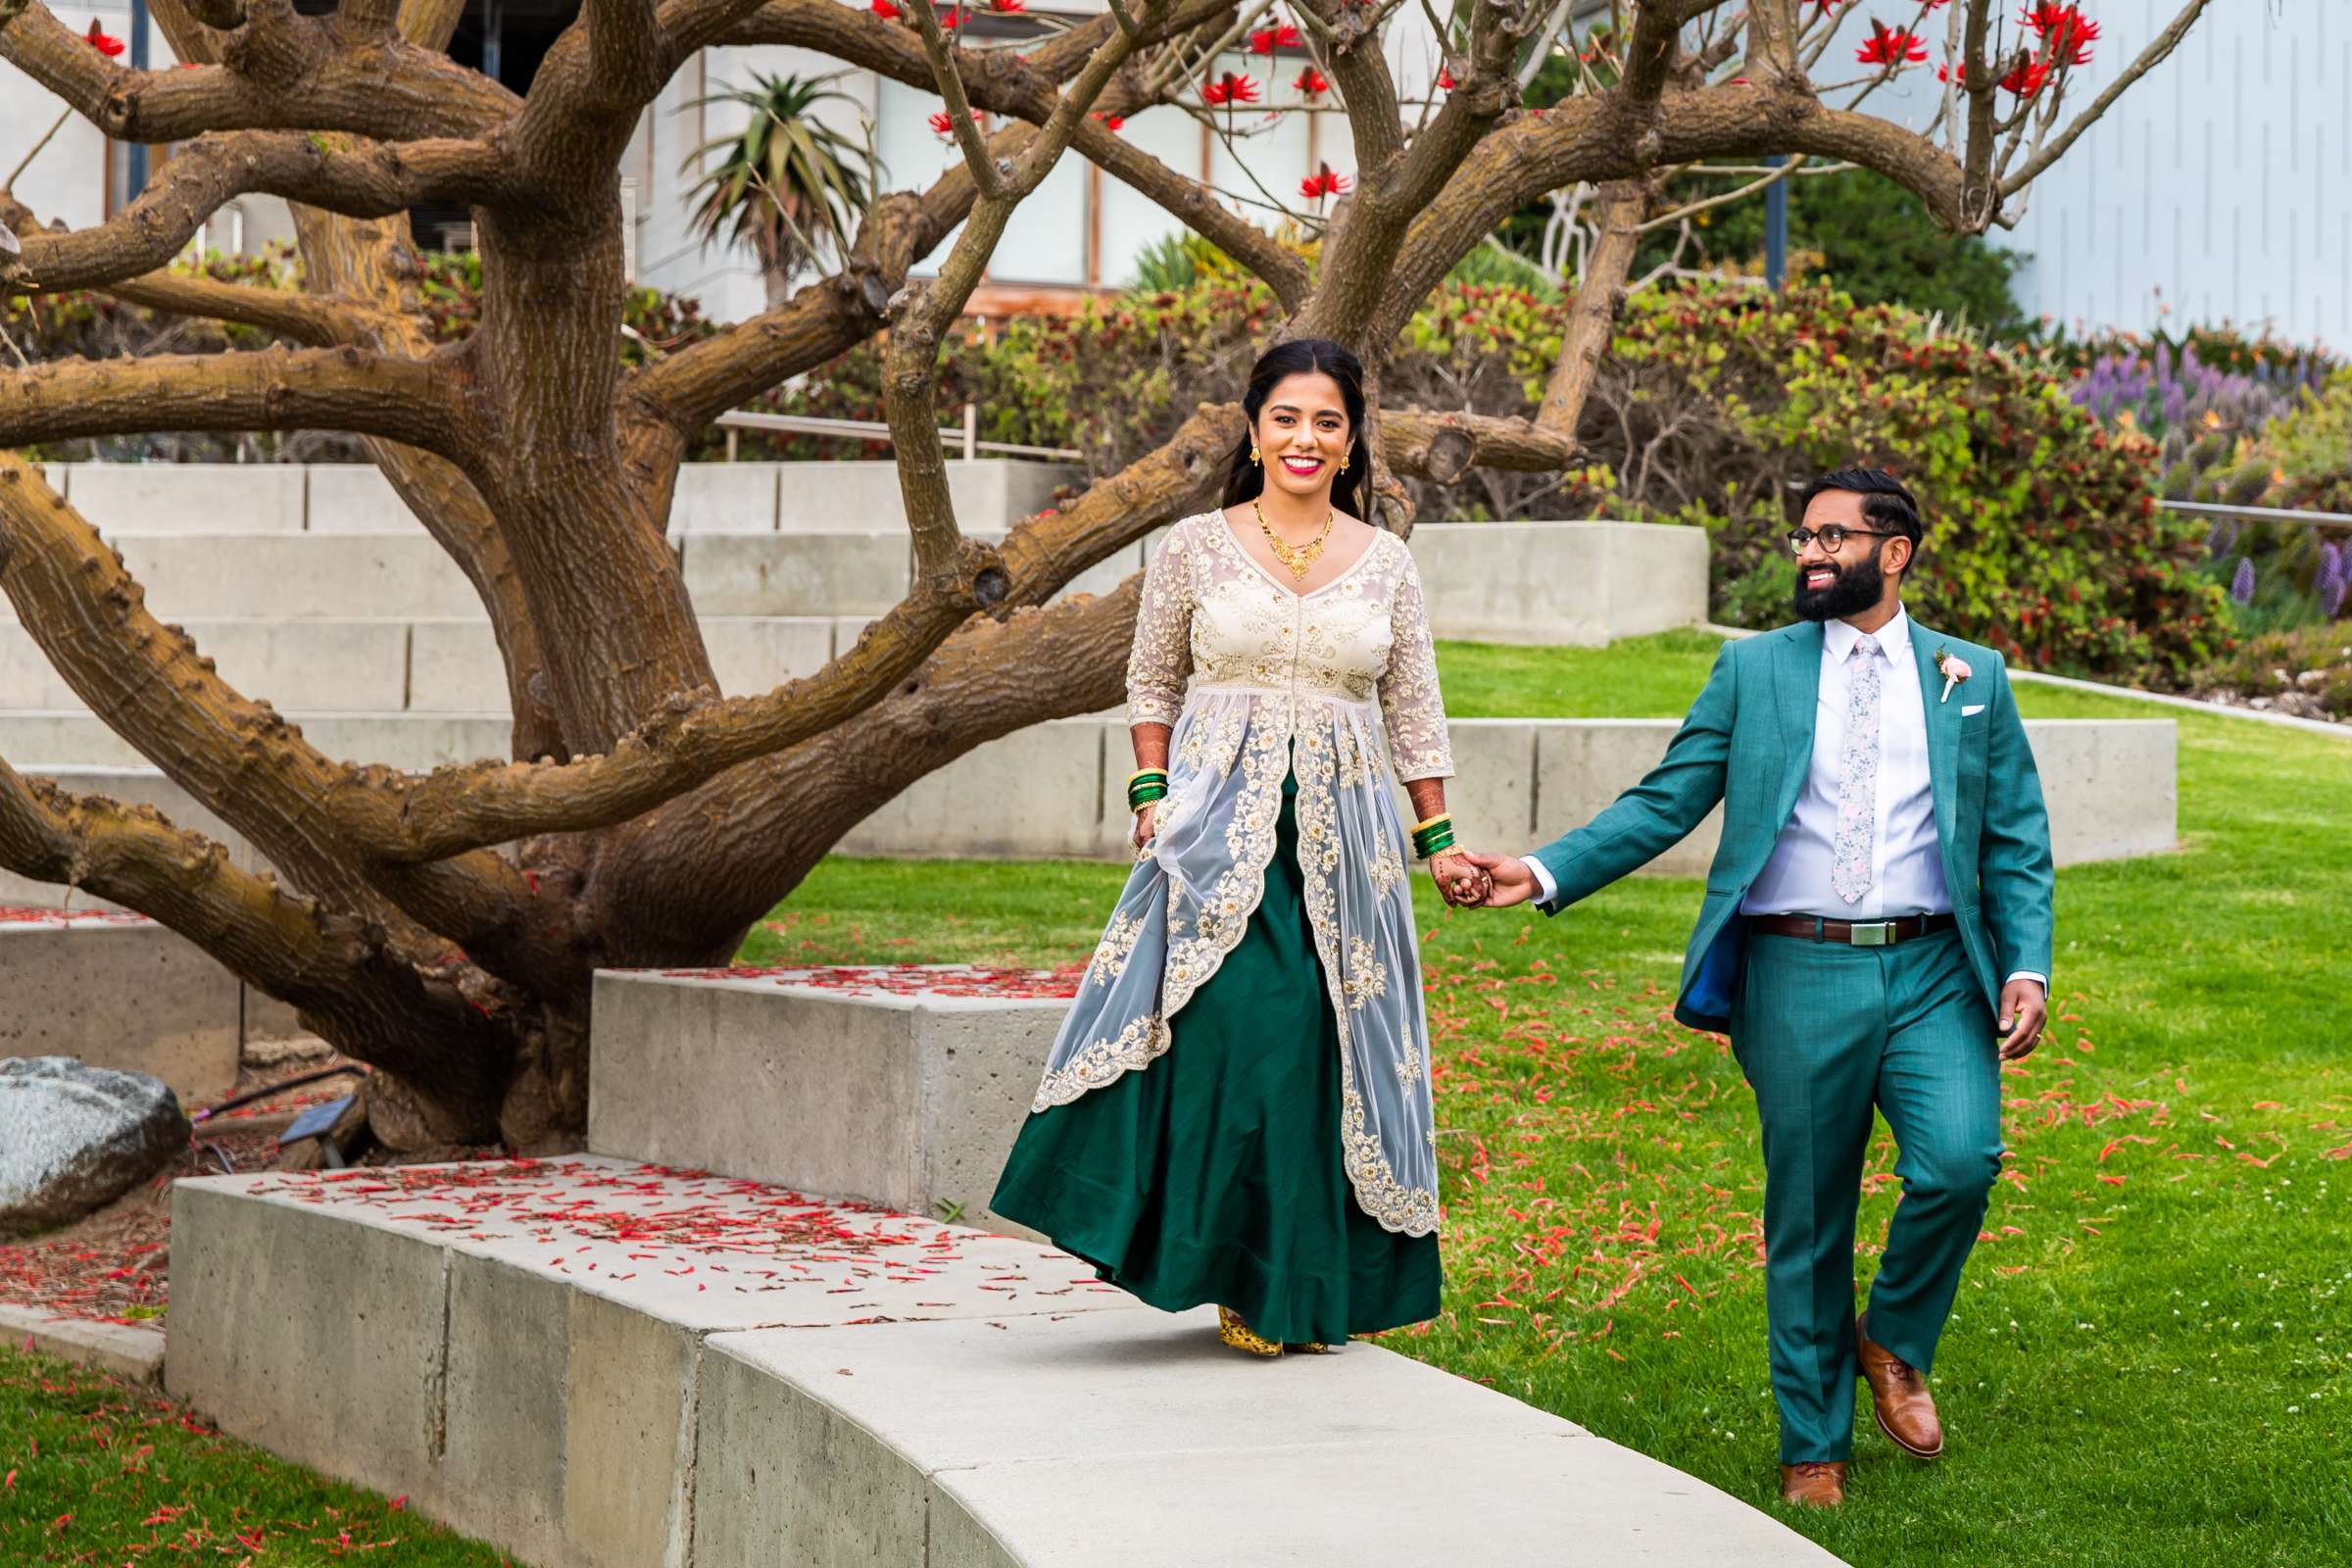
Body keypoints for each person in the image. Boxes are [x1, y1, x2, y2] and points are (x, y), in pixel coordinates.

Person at [1465, 468, 2055, 1507]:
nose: (1811, 554)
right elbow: (1667, 799)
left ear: (1895, 551)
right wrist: (1544, 869)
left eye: (1834, 537)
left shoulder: (1975, 677)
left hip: (1931, 971)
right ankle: (1813, 1445)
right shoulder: (1757, 673)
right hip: (1798, 966)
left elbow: (2015, 843)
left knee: (1960, 1162)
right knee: (1810, 1214)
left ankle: (1895, 1339)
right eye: (1804, 538)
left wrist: (2026, 964)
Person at [992, 337, 1490, 1357]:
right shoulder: (1194, 547)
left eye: (1328, 422)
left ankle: (1294, 1290)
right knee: (1242, 1029)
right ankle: (1220, 1258)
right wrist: (1150, 791)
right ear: (1255, 430)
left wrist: (1437, 835)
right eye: (1287, 418)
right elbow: (1153, 680)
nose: (1306, 438)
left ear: (1352, 443)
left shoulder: (1387, 562)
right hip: (1219, 825)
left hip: (1348, 839)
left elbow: (1415, 711)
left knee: (1328, 1044)